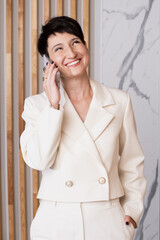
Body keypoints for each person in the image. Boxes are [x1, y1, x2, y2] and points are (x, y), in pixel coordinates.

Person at [20, 16, 146, 240]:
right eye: (59, 48)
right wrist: (54, 106)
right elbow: (38, 160)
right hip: (56, 222)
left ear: (85, 46)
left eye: (75, 42)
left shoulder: (119, 101)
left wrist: (132, 213)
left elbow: (132, 163)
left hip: (107, 221)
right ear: (49, 61)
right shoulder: (37, 106)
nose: (71, 53)